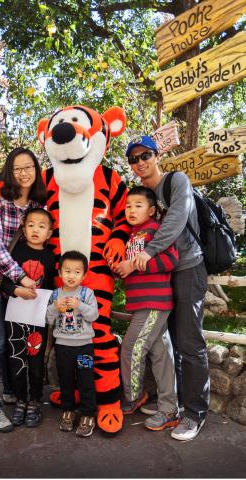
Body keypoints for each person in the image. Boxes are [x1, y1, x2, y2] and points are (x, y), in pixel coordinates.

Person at [125, 135, 209, 441]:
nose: (140, 162)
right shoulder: (141, 196)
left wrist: (147, 253)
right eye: (134, 159)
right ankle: (170, 406)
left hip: (187, 268)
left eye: (145, 155)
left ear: (156, 154)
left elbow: (176, 219)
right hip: (163, 275)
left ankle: (195, 413)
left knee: (189, 342)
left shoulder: (176, 181)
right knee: (167, 342)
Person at [0, 147, 46, 432]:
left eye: (29, 166)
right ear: (9, 171)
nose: (23, 173)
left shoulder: (35, 206)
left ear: (36, 170)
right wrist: (20, 277)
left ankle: (8, 391)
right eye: (17, 168)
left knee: (13, 340)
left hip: (16, 285)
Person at [114, 186, 179, 431]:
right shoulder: (133, 235)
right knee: (161, 355)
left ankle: (133, 396)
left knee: (131, 348)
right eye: (128, 206)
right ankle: (169, 408)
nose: (131, 209)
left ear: (151, 210)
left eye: (138, 205)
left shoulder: (155, 231)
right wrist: (122, 268)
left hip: (154, 302)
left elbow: (171, 260)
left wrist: (135, 265)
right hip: (143, 303)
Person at [0, 207, 55, 428]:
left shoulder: (51, 257)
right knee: (16, 359)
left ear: (49, 233)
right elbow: (2, 280)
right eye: (31, 225)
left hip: (37, 319)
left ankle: (35, 401)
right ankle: (21, 401)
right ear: (23, 228)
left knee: (35, 360)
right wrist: (15, 290)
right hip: (15, 316)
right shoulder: (16, 253)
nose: (35, 229)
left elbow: (52, 288)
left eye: (41, 226)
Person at [47, 251, 98, 438]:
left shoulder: (87, 293)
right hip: (63, 347)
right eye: (67, 271)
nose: (71, 275)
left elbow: (93, 316)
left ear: (84, 275)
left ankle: (87, 414)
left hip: (84, 346)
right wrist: (55, 307)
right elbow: (48, 319)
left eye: (77, 272)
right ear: (60, 273)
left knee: (86, 380)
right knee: (65, 380)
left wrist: (80, 305)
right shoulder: (55, 295)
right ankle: (67, 410)